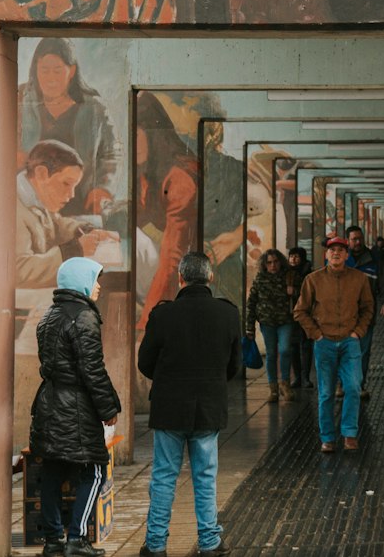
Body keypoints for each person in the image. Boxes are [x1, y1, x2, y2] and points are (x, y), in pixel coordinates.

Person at [137, 251, 240, 557]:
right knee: (206, 476)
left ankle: (156, 544)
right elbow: (233, 365)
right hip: (209, 407)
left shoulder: (162, 315)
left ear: (179, 278)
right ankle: (209, 541)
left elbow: (145, 363)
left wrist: (170, 380)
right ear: (210, 277)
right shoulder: (228, 314)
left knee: (164, 477)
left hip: (169, 408)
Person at [29, 257, 122, 557]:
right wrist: (108, 408)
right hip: (76, 408)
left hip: (49, 404)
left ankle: (54, 541)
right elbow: (92, 369)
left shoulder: (50, 314)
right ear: (81, 281)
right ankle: (77, 540)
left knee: (54, 470)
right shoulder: (83, 317)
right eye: (94, 279)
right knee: (95, 470)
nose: (97, 286)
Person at [19, 39, 121, 216]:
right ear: (36, 70)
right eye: (44, 71)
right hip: (33, 204)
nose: (51, 79)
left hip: (79, 201)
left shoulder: (94, 108)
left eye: (57, 71)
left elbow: (112, 153)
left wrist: (103, 188)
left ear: (71, 71)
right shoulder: (20, 100)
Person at [293, 236, 374, 455]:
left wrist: (358, 332)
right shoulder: (313, 279)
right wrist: (316, 334)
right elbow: (300, 311)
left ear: (347, 255)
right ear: (326, 255)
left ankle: (349, 435)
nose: (336, 253)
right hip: (324, 343)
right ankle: (327, 438)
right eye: (332, 250)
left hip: (350, 342)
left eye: (340, 250)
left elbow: (368, 308)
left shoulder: (359, 279)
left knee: (353, 388)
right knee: (326, 393)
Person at [17, 141, 119, 288]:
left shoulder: (35, 197)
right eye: (66, 184)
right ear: (41, 174)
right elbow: (20, 273)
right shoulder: (13, 208)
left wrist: (85, 231)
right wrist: (75, 250)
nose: (71, 195)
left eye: (74, 187)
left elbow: (57, 224)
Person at [136, 93, 199, 326]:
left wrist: (148, 320)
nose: (132, 143)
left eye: (137, 135)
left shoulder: (180, 178)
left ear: (155, 137)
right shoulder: (147, 171)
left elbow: (173, 256)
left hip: (185, 265)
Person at [245, 249, 295, 403]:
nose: (273, 265)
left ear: (280, 262)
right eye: (269, 262)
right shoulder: (260, 279)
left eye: (275, 262)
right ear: (264, 265)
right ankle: (273, 387)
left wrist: (293, 291)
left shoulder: (288, 277)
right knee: (271, 354)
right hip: (267, 322)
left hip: (285, 320)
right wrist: (250, 327)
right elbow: (251, 303)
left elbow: (302, 296)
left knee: (285, 350)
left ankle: (285, 383)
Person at [345, 224, 384, 399]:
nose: (358, 242)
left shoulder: (373, 258)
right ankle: (344, 383)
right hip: (343, 313)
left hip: (365, 313)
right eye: (354, 239)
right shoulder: (341, 259)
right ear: (348, 240)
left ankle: (359, 385)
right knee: (344, 350)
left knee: (363, 351)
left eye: (360, 238)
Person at [286, 247, 314, 390]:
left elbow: (309, 294)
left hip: (306, 314)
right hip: (290, 315)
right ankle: (297, 377)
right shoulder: (285, 272)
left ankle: (305, 377)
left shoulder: (308, 273)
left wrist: (294, 291)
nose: (293, 259)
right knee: (293, 346)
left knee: (306, 346)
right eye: (291, 256)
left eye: (296, 257)